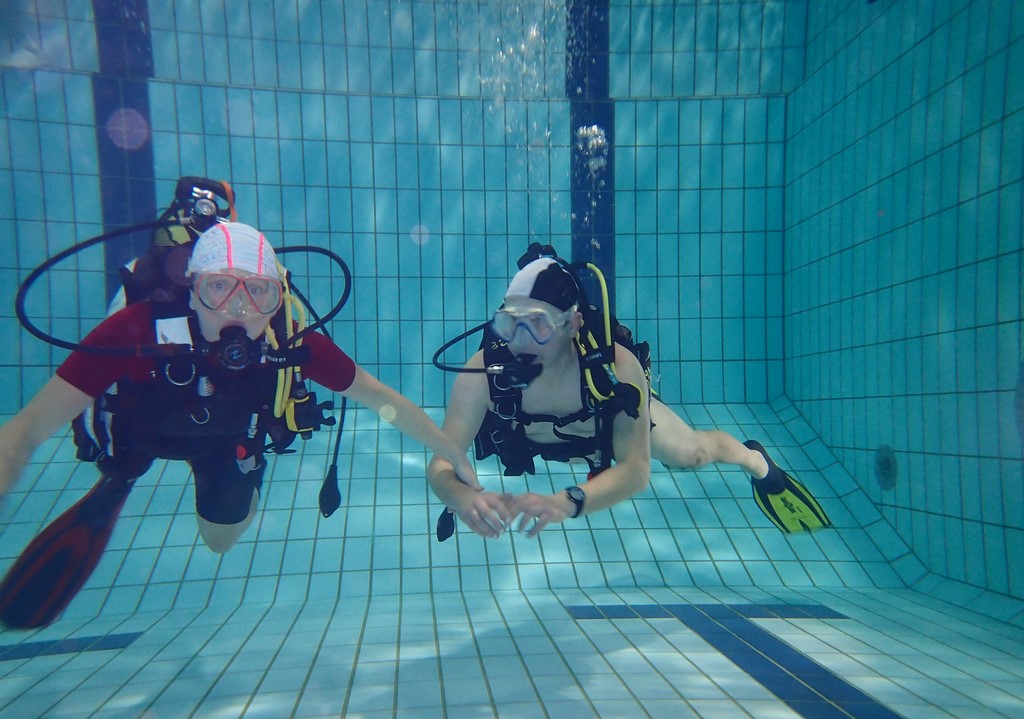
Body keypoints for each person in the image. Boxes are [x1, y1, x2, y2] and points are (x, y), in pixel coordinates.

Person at [0, 221, 481, 553]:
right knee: (124, 463)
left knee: (221, 540)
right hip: (137, 434)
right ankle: (121, 478)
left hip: (224, 442)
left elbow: (380, 399)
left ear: (278, 298)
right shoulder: (135, 330)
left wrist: (448, 449)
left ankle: (239, 478)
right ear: (192, 290)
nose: (238, 308)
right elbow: (26, 430)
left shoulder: (292, 342)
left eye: (257, 290)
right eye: (219, 287)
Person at [427, 252, 828, 540]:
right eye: (508, 324)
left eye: (538, 325)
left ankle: (757, 462)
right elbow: (442, 462)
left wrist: (568, 501)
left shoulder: (614, 366)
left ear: (572, 325)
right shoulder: (482, 375)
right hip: (545, 440)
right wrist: (460, 496)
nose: (520, 340)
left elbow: (635, 470)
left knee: (692, 455)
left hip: (606, 425)